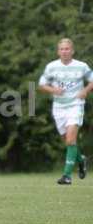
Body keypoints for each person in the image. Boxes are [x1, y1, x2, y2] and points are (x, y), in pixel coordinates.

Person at [38, 38, 92, 185]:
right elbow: (42, 85)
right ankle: (81, 160)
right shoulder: (52, 67)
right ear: (58, 51)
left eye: (67, 49)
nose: (64, 51)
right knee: (68, 142)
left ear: (72, 51)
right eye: (62, 49)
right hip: (59, 108)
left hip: (76, 105)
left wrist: (85, 91)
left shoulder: (81, 66)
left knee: (70, 140)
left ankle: (66, 176)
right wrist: (53, 89)